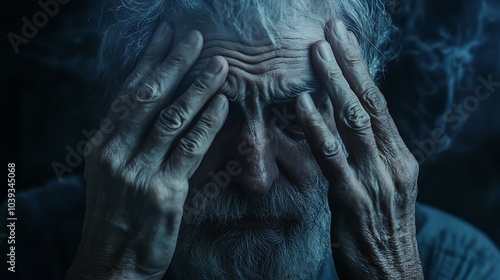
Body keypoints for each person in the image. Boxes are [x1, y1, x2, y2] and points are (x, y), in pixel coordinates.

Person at [2, 0, 500, 279]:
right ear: (132, 107)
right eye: (207, 116)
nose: (255, 177)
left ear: (361, 111)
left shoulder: (456, 265)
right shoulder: (20, 240)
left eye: (295, 116)